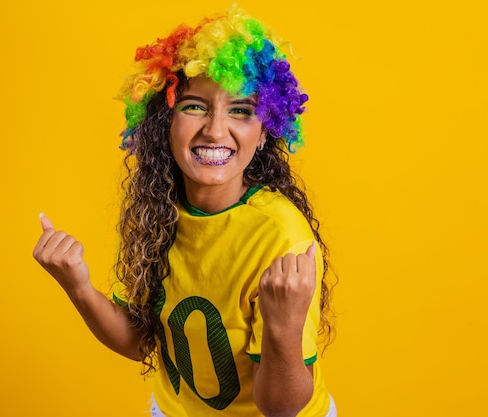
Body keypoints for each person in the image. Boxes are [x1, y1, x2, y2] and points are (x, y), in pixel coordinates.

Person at [33, 5, 337, 417]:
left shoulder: (281, 235)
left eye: (241, 111)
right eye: (194, 106)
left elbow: (281, 410)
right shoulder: (159, 208)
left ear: (264, 132)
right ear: (166, 120)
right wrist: (78, 286)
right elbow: (141, 341)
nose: (214, 130)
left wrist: (283, 328)